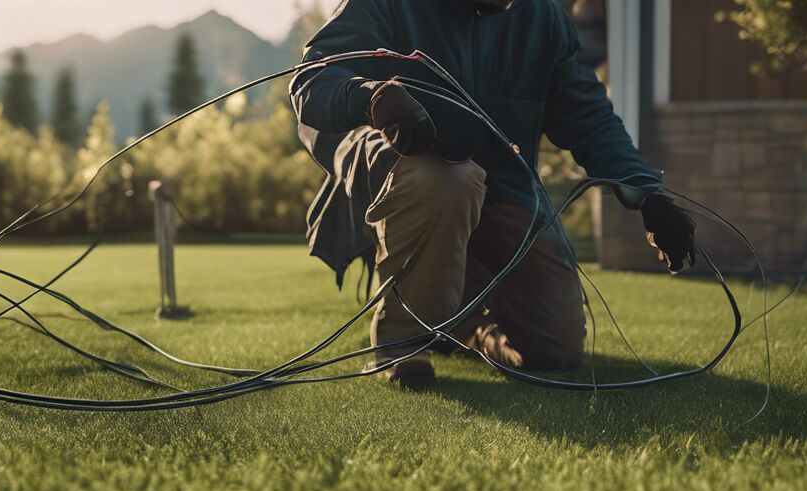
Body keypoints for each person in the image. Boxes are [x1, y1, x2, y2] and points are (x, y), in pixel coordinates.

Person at [290, 0, 697, 388]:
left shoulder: (544, 17)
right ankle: (403, 346)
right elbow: (311, 82)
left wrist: (646, 192)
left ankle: (463, 324)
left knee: (554, 350)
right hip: (399, 177)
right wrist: (371, 97)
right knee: (450, 180)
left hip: (504, 192)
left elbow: (589, 117)